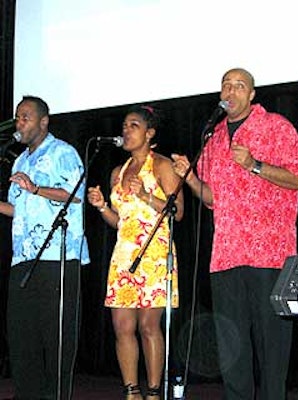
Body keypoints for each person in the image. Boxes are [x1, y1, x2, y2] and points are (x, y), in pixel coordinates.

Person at [172, 68, 298, 400]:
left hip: (269, 254)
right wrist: (188, 179)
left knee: (272, 347)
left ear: (251, 95)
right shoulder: (214, 137)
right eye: (225, 85)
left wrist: (255, 165)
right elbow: (212, 199)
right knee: (233, 350)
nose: (230, 91)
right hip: (226, 256)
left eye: (239, 86)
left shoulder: (277, 127)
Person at [87, 105, 184, 400]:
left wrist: (144, 194)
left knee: (148, 326)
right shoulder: (119, 172)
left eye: (133, 126)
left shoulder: (163, 165)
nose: (125, 131)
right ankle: (132, 391)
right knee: (122, 326)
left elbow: (176, 212)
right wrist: (103, 206)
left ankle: (153, 392)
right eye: (124, 126)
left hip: (154, 253)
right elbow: (120, 222)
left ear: (150, 133)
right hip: (124, 255)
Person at [0, 95, 90, 399]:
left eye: (25, 116)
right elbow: (17, 208)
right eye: (17, 117)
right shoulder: (20, 160)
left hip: (57, 257)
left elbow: (74, 195)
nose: (19, 122)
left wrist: (35, 188)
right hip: (23, 257)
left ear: (43, 121)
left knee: (56, 338)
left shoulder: (63, 152)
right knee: (22, 334)